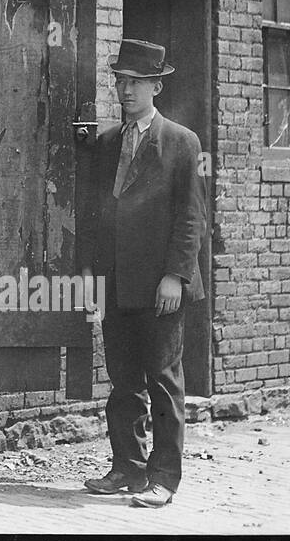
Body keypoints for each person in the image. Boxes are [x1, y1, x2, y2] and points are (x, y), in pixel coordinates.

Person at [81, 39, 207, 508]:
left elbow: (191, 217)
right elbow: (95, 215)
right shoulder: (107, 142)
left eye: (135, 82)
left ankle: (164, 478)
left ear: (156, 86)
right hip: (116, 283)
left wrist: (176, 276)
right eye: (120, 81)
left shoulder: (181, 142)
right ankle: (127, 469)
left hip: (160, 287)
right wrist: (91, 274)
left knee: (163, 380)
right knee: (123, 380)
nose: (125, 90)